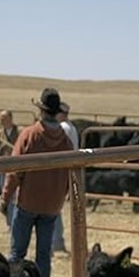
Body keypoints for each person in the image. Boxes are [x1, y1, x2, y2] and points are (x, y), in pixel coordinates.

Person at [0, 88, 73, 277]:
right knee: (43, 256)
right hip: (51, 207)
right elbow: (70, 175)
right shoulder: (65, 141)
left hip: (27, 204)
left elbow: (14, 172)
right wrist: (60, 195)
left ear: (41, 110)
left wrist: (5, 198)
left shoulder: (29, 135)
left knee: (16, 254)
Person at [53, 102, 80, 254]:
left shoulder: (63, 128)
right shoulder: (72, 127)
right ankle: (57, 241)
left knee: (54, 207)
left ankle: (57, 242)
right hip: (70, 169)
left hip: (62, 170)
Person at [0, 110, 20, 226]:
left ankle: (15, 222)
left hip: (17, 170)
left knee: (15, 197)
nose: (2, 122)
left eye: (5, 119)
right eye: (1, 120)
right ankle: (10, 222)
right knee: (6, 197)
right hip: (3, 171)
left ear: (11, 119)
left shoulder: (20, 132)